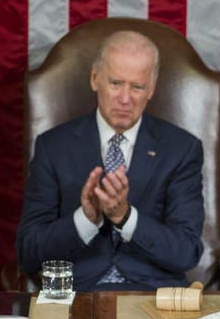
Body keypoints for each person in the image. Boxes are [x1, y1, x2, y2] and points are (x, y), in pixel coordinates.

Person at [16, 31, 205, 291]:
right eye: (116, 83)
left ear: (151, 88)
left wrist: (125, 217)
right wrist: (86, 219)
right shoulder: (53, 147)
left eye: (137, 87)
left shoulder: (182, 149)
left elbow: (186, 252)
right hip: (75, 294)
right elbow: (28, 252)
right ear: (95, 79)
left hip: (152, 295)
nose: (125, 99)